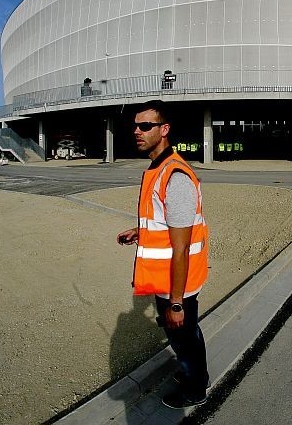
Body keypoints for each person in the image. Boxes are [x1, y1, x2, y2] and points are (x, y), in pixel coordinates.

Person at [116, 100, 210, 409]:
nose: (137, 132)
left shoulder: (175, 176)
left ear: (164, 130)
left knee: (185, 339)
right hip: (166, 278)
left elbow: (181, 245)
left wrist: (177, 303)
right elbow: (166, 225)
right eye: (135, 126)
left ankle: (195, 388)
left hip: (177, 284)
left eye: (146, 126)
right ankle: (196, 375)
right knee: (185, 339)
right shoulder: (157, 169)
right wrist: (139, 231)